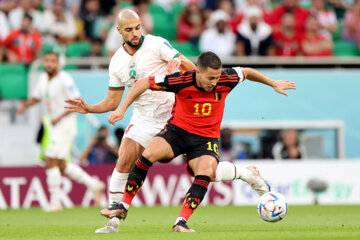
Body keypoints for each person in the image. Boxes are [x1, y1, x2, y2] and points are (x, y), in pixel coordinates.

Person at [65, 9, 272, 234]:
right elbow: (112, 101)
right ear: (118, 31)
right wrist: (90, 108)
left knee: (204, 172)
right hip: (144, 118)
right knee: (124, 160)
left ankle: (245, 174)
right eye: (129, 30)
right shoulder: (116, 62)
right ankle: (113, 221)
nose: (135, 33)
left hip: (176, 115)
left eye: (137, 27)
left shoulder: (156, 44)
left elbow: (188, 66)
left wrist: (186, 80)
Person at [102, 51, 296, 232]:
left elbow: (247, 72)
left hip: (205, 140)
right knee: (148, 154)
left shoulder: (227, 78)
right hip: (177, 133)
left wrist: (273, 83)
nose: (215, 82)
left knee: (205, 173)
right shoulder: (181, 80)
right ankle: (123, 206)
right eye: (211, 77)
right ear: (198, 72)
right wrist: (121, 109)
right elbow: (143, 82)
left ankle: (181, 222)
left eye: (217, 77)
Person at [17, 51, 105, 212]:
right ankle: (94, 185)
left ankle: (56, 203)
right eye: (47, 61)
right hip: (54, 126)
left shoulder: (65, 79)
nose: (49, 64)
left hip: (65, 125)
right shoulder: (43, 79)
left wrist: (60, 116)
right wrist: (24, 105)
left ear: (58, 63)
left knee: (50, 160)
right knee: (62, 165)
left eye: (52, 61)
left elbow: (77, 100)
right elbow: (37, 97)